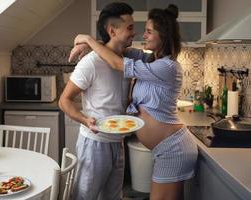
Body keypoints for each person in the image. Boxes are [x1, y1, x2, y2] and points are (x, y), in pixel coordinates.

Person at [70, 4, 198, 200]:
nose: (141, 35)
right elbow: (112, 49)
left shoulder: (166, 66)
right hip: (152, 148)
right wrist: (89, 44)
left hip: (171, 149)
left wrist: (87, 39)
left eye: (148, 31)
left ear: (162, 35)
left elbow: (116, 63)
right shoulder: (147, 59)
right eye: (133, 28)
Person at [58, 2, 135, 200]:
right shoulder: (91, 62)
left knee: (113, 196)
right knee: (85, 196)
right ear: (112, 31)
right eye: (130, 27)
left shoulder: (125, 59)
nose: (135, 32)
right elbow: (64, 100)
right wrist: (84, 119)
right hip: (94, 143)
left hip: (117, 141)